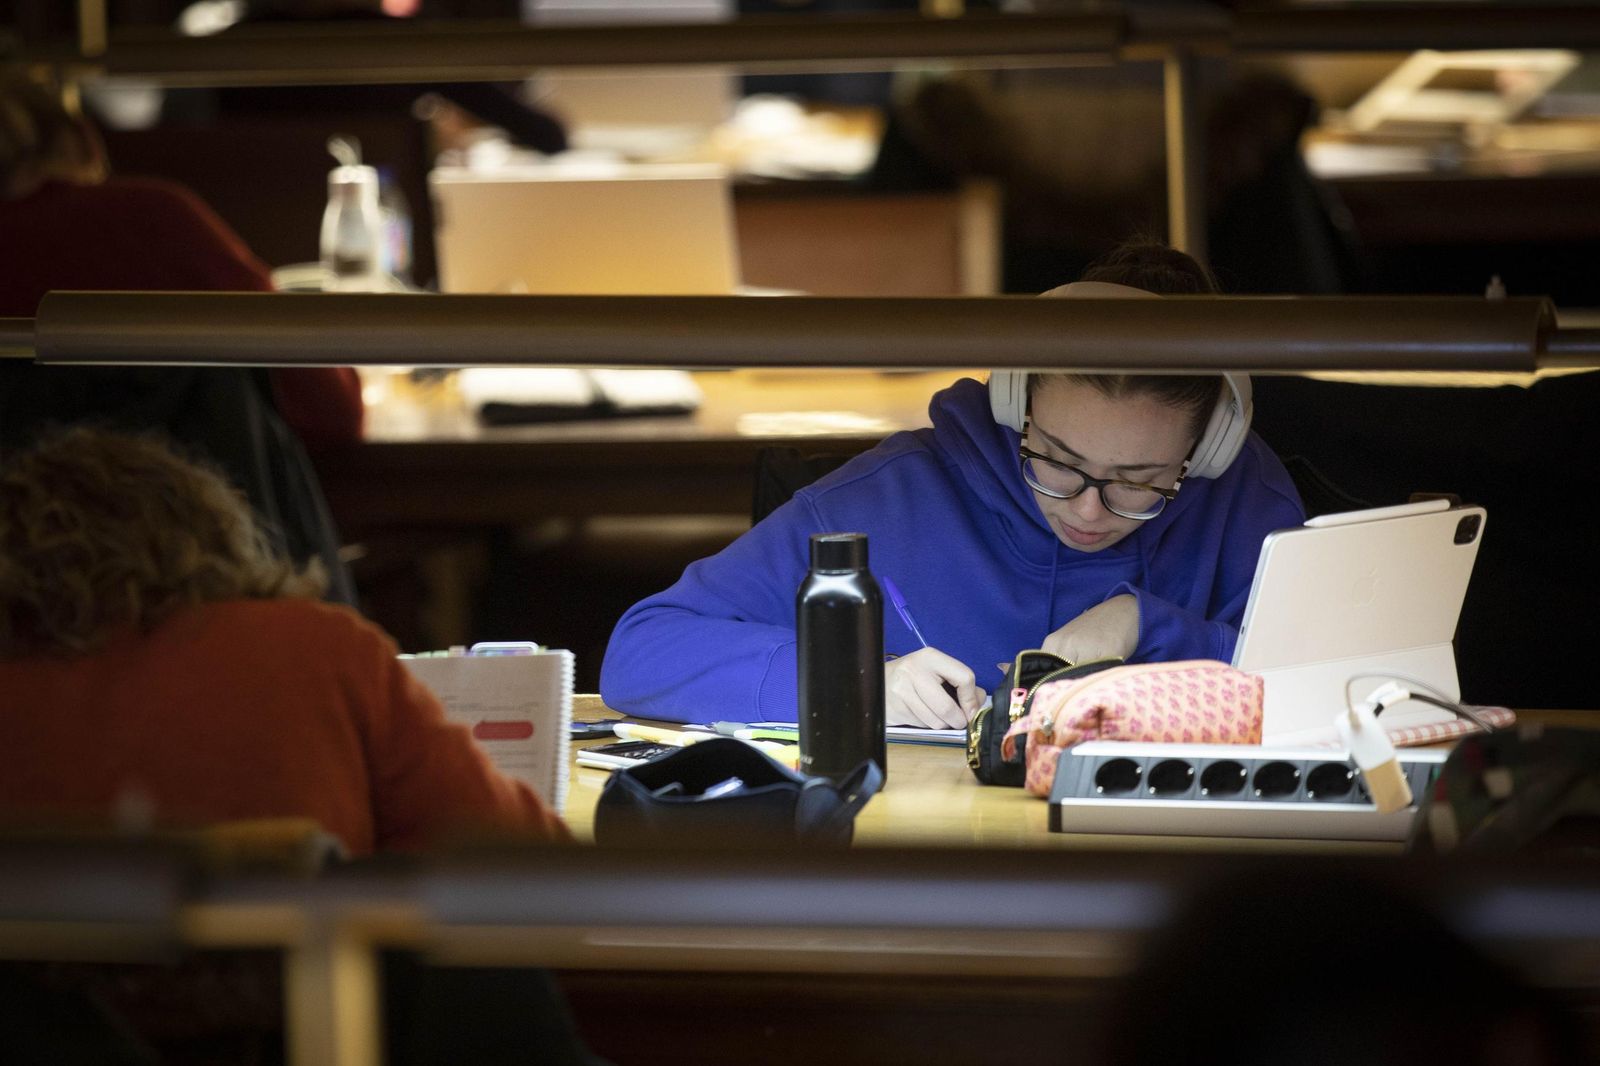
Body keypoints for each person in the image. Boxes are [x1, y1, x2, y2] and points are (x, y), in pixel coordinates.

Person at [600, 242, 1305, 728]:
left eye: (1140, 482)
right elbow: (642, 650)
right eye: (1057, 459)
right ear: (1015, 407)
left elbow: (1344, 689)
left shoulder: (1244, 501)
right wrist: (859, 681)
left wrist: (1149, 629)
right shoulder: (890, 498)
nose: (1088, 508)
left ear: (1205, 451)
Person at [0, 428, 566, 855]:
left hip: (42, 1009)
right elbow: (521, 851)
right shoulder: (314, 653)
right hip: (309, 1003)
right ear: (209, 531)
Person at [0, 70, 363, 601]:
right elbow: (330, 407)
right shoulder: (151, 220)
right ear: (83, 139)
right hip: (202, 598)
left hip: (19, 616)